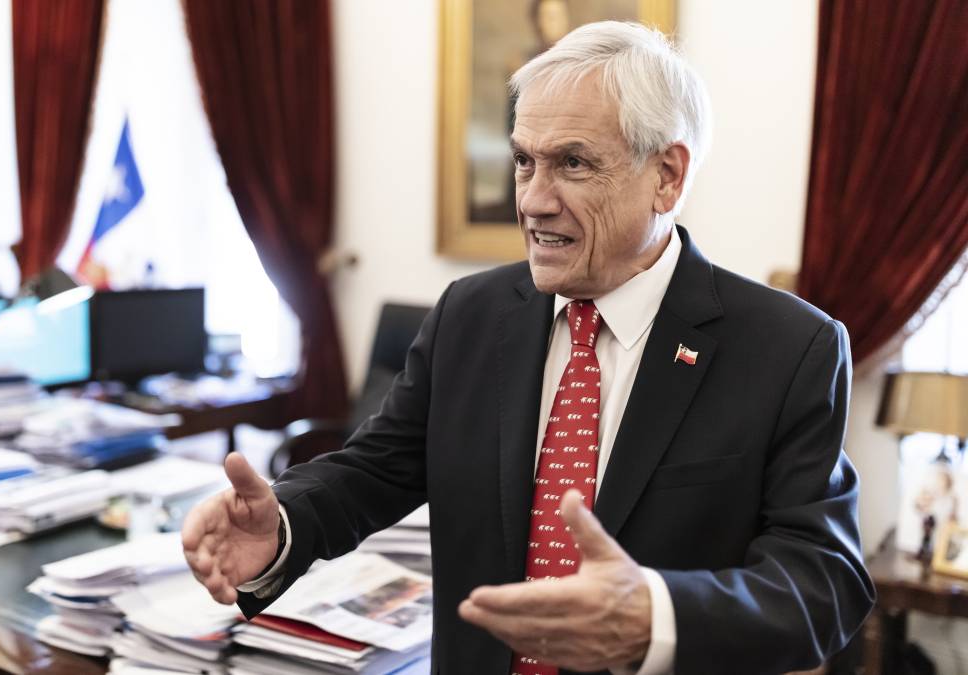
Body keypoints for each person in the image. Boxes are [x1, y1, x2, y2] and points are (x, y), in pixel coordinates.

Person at [183, 21, 874, 675]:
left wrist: (654, 616)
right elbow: (374, 469)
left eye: (572, 163)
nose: (533, 202)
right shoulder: (470, 315)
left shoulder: (789, 348)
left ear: (667, 174)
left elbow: (824, 579)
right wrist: (282, 523)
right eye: (522, 161)